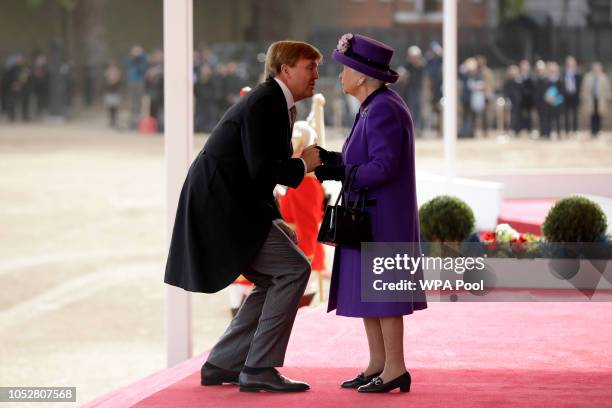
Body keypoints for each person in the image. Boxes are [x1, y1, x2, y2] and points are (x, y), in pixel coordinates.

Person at [164, 40, 322, 393]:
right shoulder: (268, 102)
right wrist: (303, 165)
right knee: (294, 269)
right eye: (309, 67)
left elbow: (255, 172)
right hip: (224, 207)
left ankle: (224, 362)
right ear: (285, 70)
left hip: (227, 204)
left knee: (274, 276)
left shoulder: (274, 102)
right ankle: (259, 367)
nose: (316, 76)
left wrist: (276, 217)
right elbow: (264, 170)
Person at [315, 33, 427, 393]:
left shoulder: (383, 109)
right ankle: (378, 364)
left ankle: (395, 368)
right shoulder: (374, 106)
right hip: (372, 215)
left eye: (344, 68)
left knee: (384, 295)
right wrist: (331, 163)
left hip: (382, 219)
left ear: (361, 75)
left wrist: (343, 171)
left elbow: (382, 167)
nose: (340, 75)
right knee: (371, 295)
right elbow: (359, 161)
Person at [581, 62, 611, 137]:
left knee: (599, 115)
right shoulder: (588, 77)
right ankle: (593, 131)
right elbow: (584, 89)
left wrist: (608, 98)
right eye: (595, 67)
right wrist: (584, 98)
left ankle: (598, 130)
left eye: (598, 67)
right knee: (592, 116)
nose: (596, 69)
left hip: (601, 100)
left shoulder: (604, 77)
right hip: (591, 100)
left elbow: (607, 89)